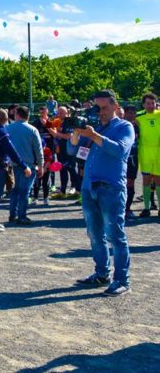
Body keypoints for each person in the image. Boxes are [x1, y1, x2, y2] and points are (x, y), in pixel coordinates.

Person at [71, 90, 133, 296]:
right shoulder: (94, 126)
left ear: (115, 107)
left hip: (111, 188)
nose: (101, 112)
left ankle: (122, 280)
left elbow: (120, 151)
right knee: (94, 234)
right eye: (98, 108)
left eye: (104, 108)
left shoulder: (124, 126)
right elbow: (73, 152)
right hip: (89, 188)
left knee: (115, 235)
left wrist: (94, 136)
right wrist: (76, 134)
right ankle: (101, 273)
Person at [6, 106, 43, 225]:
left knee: (15, 190)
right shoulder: (32, 130)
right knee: (25, 191)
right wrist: (41, 165)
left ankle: (12, 214)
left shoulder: (8, 128)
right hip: (29, 165)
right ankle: (22, 216)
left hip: (13, 164)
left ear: (17, 114)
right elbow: (38, 150)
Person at [135, 93, 160, 218]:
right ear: (143, 104)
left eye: (152, 103)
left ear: (156, 103)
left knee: (158, 180)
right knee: (146, 180)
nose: (150, 105)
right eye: (148, 103)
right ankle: (146, 208)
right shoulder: (138, 116)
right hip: (145, 151)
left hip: (159, 151)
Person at [50, 107, 80, 198]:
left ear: (67, 113)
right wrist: (49, 122)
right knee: (62, 169)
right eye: (58, 113)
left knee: (71, 169)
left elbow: (68, 136)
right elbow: (48, 127)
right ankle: (62, 190)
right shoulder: (57, 121)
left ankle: (76, 189)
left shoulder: (70, 122)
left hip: (69, 150)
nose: (59, 114)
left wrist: (56, 133)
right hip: (60, 149)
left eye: (62, 113)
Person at [123, 105, 140, 218]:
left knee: (130, 183)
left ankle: (127, 208)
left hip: (133, 158)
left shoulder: (138, 126)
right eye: (129, 113)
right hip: (121, 159)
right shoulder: (121, 126)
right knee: (119, 183)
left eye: (134, 113)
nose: (132, 115)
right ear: (125, 113)